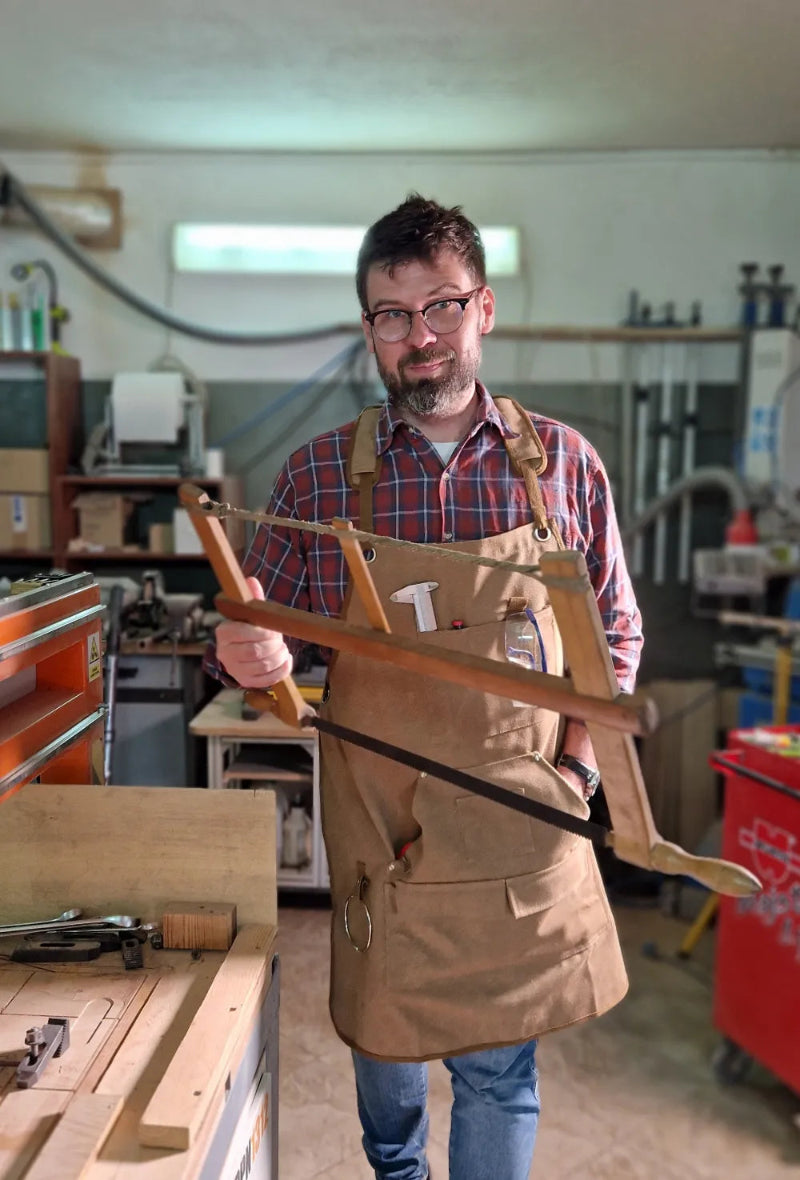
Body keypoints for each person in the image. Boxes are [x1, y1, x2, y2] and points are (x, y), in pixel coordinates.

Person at [206, 194, 643, 1180]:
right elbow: (256, 641)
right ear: (368, 328)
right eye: (391, 314)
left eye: (440, 306)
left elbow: (609, 631)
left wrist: (574, 776)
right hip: (379, 829)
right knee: (388, 1064)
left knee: (496, 1070)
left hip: (514, 816)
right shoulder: (321, 479)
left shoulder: (560, 466)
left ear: (482, 309)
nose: (420, 336)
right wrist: (247, 652)